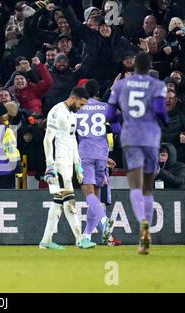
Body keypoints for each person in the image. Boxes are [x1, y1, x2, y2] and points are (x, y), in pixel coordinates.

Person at [106, 53, 169, 255]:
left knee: (135, 184)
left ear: (133, 66)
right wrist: (165, 120)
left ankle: (141, 220)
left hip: (130, 138)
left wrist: (118, 128)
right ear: (150, 67)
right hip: (150, 137)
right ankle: (146, 228)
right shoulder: (157, 85)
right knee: (148, 188)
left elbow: (108, 115)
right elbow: (160, 110)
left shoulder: (121, 85)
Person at [40, 87, 96, 250]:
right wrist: (50, 165)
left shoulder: (73, 114)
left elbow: (72, 140)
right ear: (73, 98)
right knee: (69, 201)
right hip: (57, 164)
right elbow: (47, 140)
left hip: (67, 165)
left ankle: (46, 241)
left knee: (58, 202)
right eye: (81, 104)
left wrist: (77, 164)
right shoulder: (56, 112)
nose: (81, 108)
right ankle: (80, 239)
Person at [76, 79, 116, 244]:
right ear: (98, 91)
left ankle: (104, 221)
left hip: (85, 153)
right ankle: (87, 235)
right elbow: (114, 127)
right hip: (102, 155)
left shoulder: (78, 108)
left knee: (89, 194)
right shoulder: (105, 107)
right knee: (96, 197)